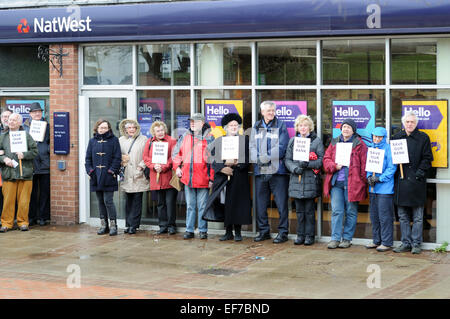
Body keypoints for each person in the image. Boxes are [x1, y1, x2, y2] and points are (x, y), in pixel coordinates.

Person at [206, 113, 252, 242]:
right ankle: (228, 232)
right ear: (226, 127)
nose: (233, 127)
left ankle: (238, 232)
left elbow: (248, 158)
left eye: (235, 125)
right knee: (225, 204)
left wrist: (238, 163)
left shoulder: (244, 140)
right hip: (224, 178)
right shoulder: (219, 141)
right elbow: (213, 159)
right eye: (231, 125)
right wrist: (222, 167)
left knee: (237, 204)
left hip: (239, 177)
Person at [323, 119, 368, 249]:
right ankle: (335, 239)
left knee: (351, 211)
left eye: (348, 127)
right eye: (344, 127)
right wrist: (334, 166)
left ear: (353, 130)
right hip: (337, 183)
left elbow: (364, 165)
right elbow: (326, 159)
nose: (346, 129)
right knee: (337, 211)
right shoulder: (334, 142)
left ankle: (347, 238)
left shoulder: (360, 144)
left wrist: (362, 181)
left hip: (353, 184)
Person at [392, 111, 433, 254]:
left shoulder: (423, 138)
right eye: (407, 122)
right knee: (402, 216)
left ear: (416, 124)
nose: (409, 124)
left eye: (412, 122)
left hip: (416, 183)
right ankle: (405, 242)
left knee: (417, 217)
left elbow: (428, 158)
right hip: (401, 183)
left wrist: (419, 174)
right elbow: (391, 160)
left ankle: (416, 243)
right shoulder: (396, 138)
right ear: (403, 123)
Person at [249, 101, 290, 243]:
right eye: (268, 111)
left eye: (273, 110)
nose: (271, 113)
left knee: (281, 203)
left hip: (277, 171)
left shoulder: (281, 125)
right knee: (261, 203)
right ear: (262, 112)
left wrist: (264, 156)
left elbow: (282, 146)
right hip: (260, 170)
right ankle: (263, 231)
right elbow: (251, 146)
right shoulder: (256, 126)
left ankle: (283, 232)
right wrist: (258, 158)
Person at [172, 113, 214, 240]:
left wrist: (211, 178)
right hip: (187, 178)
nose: (192, 124)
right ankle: (189, 229)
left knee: (202, 206)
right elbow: (176, 153)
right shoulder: (185, 136)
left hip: (203, 178)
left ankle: (202, 230)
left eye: (194, 121)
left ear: (201, 123)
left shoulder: (210, 138)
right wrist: (177, 167)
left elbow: (213, 161)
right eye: (191, 121)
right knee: (190, 206)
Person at [285, 115, 324, 246]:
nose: (303, 128)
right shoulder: (292, 141)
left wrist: (308, 164)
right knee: (299, 212)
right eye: (300, 125)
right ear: (297, 127)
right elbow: (287, 160)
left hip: (310, 181)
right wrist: (295, 168)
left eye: (305, 125)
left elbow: (320, 161)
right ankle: (300, 235)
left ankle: (309, 236)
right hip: (296, 180)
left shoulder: (316, 141)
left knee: (309, 211)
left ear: (310, 127)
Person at [0, 113, 38, 232]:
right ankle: (6, 223)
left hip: (25, 173)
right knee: (8, 201)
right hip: (9, 173)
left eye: (14, 120)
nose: (11, 122)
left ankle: (23, 222)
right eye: (10, 120)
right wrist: (4, 159)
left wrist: (24, 155)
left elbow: (35, 151)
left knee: (24, 201)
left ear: (20, 122)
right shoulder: (2, 137)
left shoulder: (26, 136)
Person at [85, 119, 122, 236]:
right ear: (97, 128)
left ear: (109, 129)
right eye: (101, 128)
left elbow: (117, 157)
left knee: (108, 201)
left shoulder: (114, 140)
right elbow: (88, 158)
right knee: (100, 201)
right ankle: (103, 225)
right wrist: (90, 171)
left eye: (105, 128)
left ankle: (113, 225)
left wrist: (111, 171)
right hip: (96, 176)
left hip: (109, 175)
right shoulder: (92, 141)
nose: (103, 130)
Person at [365, 127, 397, 252]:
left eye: (379, 137)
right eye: (375, 136)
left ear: (384, 137)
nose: (376, 139)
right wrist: (369, 177)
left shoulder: (388, 149)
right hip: (373, 188)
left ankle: (386, 242)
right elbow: (369, 165)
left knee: (385, 216)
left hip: (385, 188)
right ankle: (376, 240)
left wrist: (380, 178)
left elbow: (392, 167)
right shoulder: (371, 149)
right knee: (374, 216)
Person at [143, 121, 178, 235]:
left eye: (162, 130)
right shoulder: (149, 142)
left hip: (168, 176)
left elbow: (174, 157)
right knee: (160, 203)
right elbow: (146, 157)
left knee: (170, 203)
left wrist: (163, 166)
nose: (160, 132)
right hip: (156, 178)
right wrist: (153, 166)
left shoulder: (172, 141)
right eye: (158, 131)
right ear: (153, 132)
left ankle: (171, 225)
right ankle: (162, 225)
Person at [118, 119, 149, 235]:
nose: (131, 130)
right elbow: (117, 155)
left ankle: (134, 226)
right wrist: (121, 160)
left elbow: (147, 155)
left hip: (138, 174)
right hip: (126, 174)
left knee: (137, 200)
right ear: (124, 129)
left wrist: (141, 167)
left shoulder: (143, 139)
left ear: (137, 128)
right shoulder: (120, 140)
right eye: (129, 128)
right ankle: (128, 224)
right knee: (128, 201)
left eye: (133, 127)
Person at [24, 102, 51, 226]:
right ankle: (32, 216)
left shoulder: (48, 126)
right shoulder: (24, 128)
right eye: (35, 112)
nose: (37, 114)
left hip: (45, 163)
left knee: (45, 192)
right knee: (32, 192)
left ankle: (43, 217)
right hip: (31, 164)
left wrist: (47, 150)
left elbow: (52, 142)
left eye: (39, 111)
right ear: (30, 114)